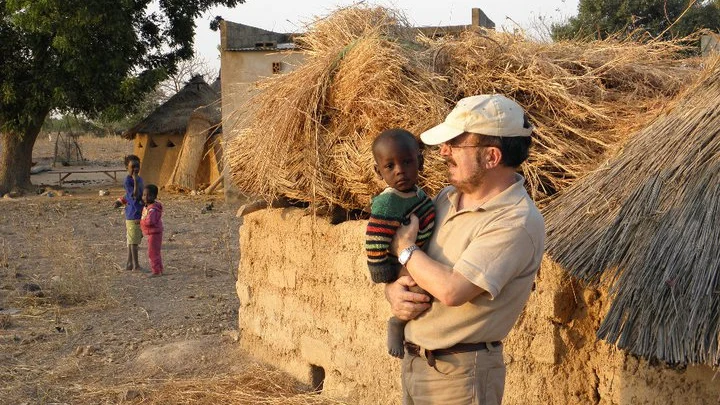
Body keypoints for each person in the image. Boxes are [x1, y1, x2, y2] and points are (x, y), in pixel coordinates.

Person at [385, 94, 545, 405]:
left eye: (456, 143)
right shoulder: (446, 198)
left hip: (460, 379)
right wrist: (394, 292)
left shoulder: (516, 221)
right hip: (418, 365)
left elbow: (453, 290)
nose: (443, 151)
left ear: (492, 157)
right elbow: (415, 268)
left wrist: (404, 248)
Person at [365, 128, 436, 359]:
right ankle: (397, 323)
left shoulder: (417, 193)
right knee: (418, 291)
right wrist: (382, 272)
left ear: (420, 162)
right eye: (390, 166)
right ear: (378, 171)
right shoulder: (388, 203)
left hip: (416, 253)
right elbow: (375, 238)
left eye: (407, 162)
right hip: (401, 262)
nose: (400, 171)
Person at [114, 155, 144, 272]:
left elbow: (141, 195)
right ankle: (136, 266)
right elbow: (134, 196)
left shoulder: (139, 179)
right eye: (133, 167)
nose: (135, 169)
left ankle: (129, 264)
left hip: (139, 213)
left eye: (138, 166)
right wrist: (135, 181)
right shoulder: (128, 180)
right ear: (127, 167)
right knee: (133, 242)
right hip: (133, 214)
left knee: (133, 240)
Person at [140, 184, 164, 277]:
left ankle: (156, 271)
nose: (145, 197)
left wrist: (142, 222)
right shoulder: (149, 207)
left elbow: (150, 221)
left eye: (148, 195)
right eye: (144, 195)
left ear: (154, 196)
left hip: (154, 233)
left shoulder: (152, 209)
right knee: (155, 252)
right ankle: (159, 269)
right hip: (153, 233)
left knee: (152, 252)